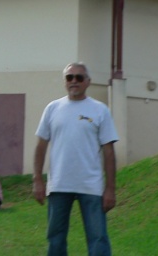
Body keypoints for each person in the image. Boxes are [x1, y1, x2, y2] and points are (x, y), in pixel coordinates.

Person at [33, 63, 119, 255]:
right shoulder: (52, 108)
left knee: (98, 237)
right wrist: (37, 179)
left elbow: (109, 152)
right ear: (64, 82)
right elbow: (41, 146)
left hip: (91, 186)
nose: (74, 81)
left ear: (88, 82)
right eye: (69, 77)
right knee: (55, 237)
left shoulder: (100, 110)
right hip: (59, 185)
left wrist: (110, 189)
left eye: (79, 77)